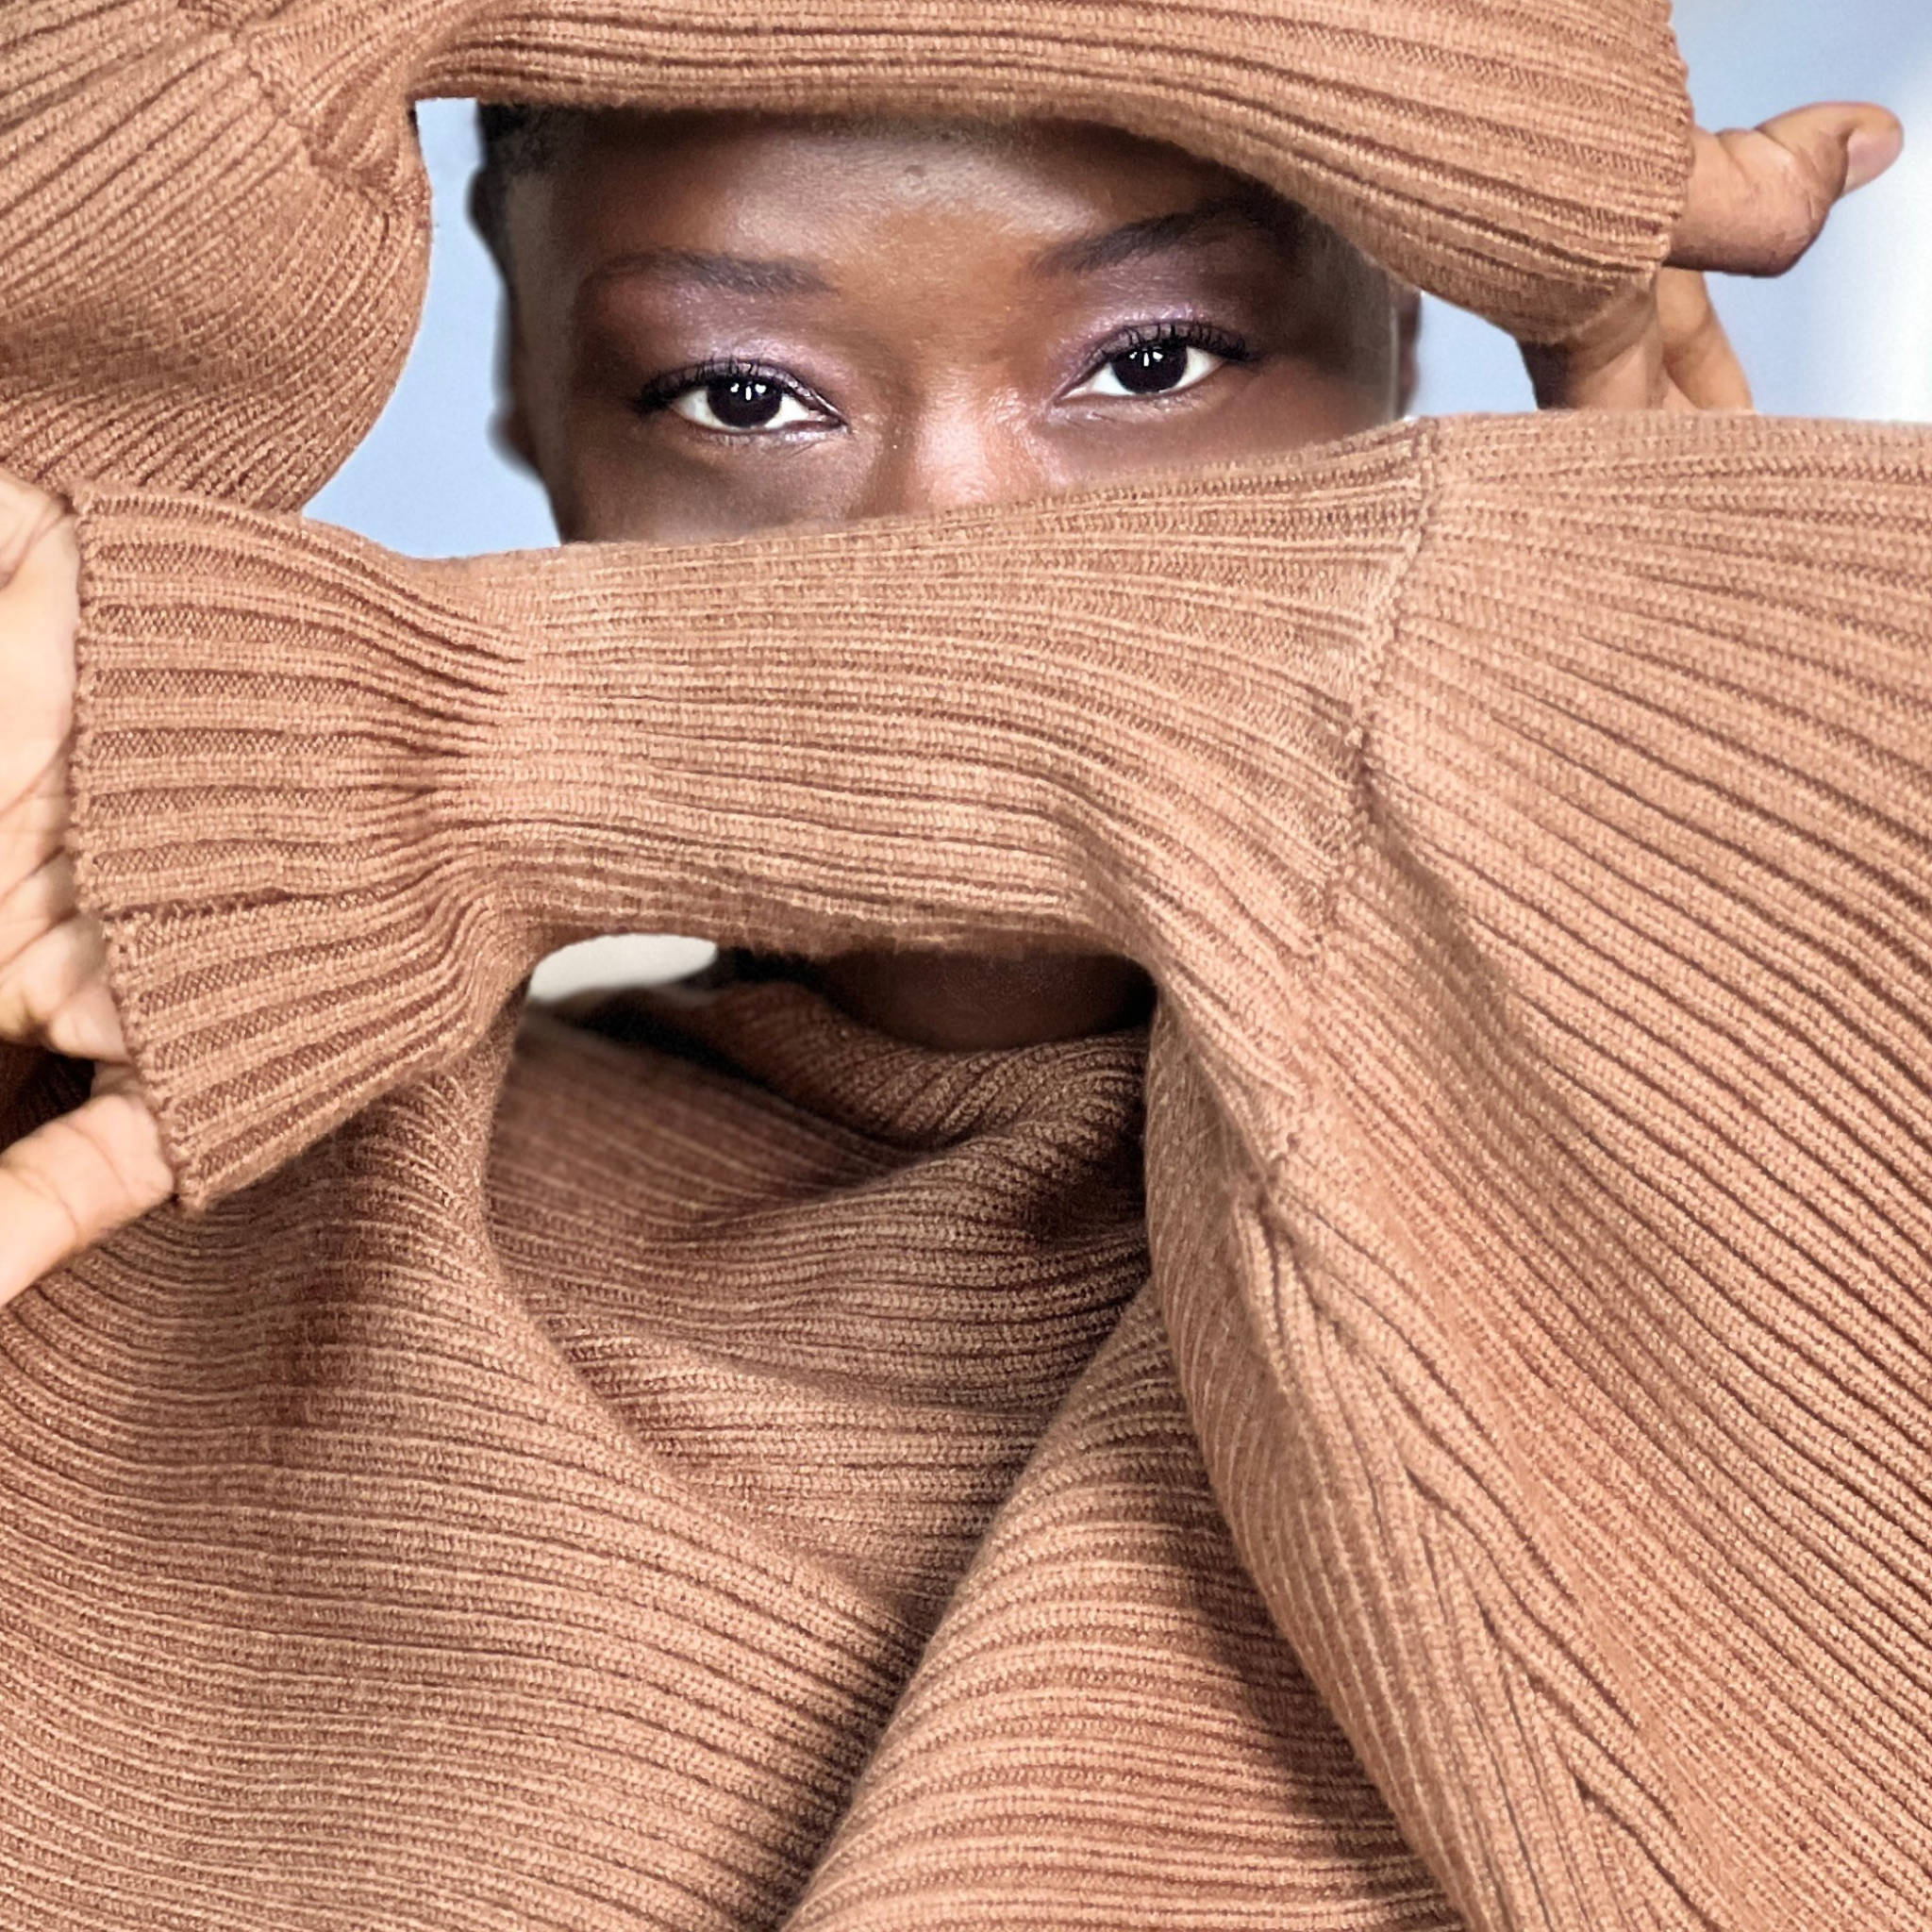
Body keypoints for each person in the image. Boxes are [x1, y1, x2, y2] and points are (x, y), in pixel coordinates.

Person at [1, 2, 1928, 1922]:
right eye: (739, 396)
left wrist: (464, 744)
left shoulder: (1753, 1132)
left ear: (1401, 334)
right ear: (531, 387)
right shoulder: (149, 1135)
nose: (944, 535)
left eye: (1153, 360)